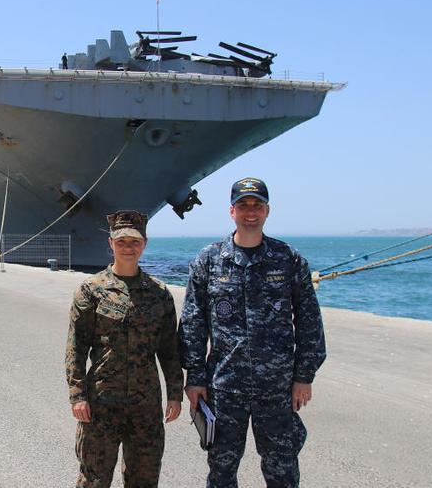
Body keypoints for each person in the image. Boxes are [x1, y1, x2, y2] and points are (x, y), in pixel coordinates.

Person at [178, 178, 326, 488]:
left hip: (277, 387)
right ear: (231, 210)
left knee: (283, 469)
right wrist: (195, 378)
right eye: (243, 205)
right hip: (224, 386)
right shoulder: (209, 260)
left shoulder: (288, 259)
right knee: (221, 470)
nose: (250, 212)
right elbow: (193, 322)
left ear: (267, 211)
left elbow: (310, 319)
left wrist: (304, 375)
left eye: (257, 205)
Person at [66, 210, 183, 488]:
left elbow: (169, 350)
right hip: (101, 402)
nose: (128, 248)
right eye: (122, 242)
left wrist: (175, 394)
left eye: (134, 242)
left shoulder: (159, 293)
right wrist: (77, 395)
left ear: (144, 244)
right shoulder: (91, 290)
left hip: (145, 404)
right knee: (93, 479)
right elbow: (76, 348)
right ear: (111, 243)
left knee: (144, 479)